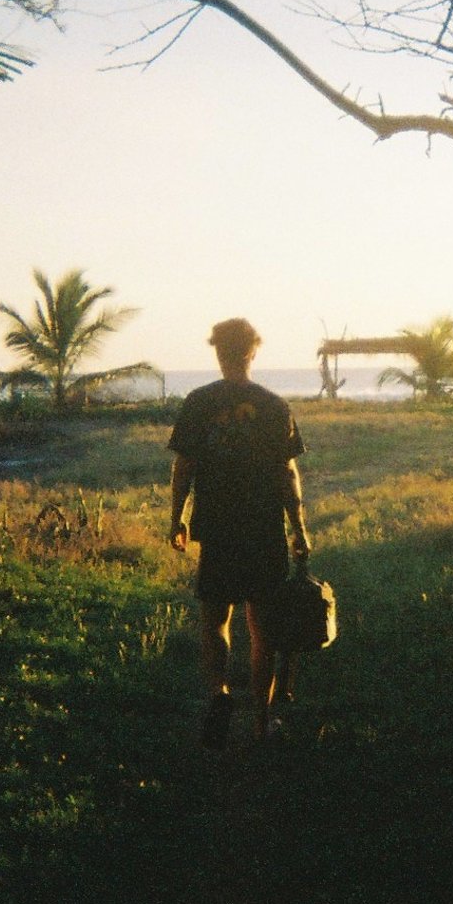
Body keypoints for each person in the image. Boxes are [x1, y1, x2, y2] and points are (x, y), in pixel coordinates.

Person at [167, 318, 312, 747]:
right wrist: (299, 528)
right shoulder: (273, 405)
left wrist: (176, 519)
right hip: (264, 527)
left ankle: (219, 693)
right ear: (254, 351)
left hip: (216, 526)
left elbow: (183, 469)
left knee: (216, 620)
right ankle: (262, 721)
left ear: (217, 351)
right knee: (263, 627)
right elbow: (287, 473)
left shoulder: (198, 402)